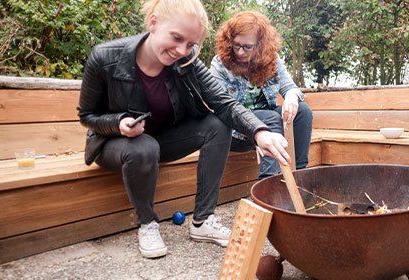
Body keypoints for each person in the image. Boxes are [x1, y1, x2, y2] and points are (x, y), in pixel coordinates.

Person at [77, 0, 291, 259]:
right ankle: (147, 223)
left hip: (165, 139)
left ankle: (202, 221)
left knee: (217, 123)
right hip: (115, 143)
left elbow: (222, 102)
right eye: (176, 38)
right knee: (144, 146)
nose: (181, 50)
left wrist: (260, 131)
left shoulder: (186, 60)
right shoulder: (105, 57)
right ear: (154, 23)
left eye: (190, 44)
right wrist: (119, 123)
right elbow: (87, 116)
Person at [210, 11, 313, 180]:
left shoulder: (272, 59)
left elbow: (290, 87)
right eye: (236, 45)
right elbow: (222, 108)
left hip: (269, 125)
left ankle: (299, 177)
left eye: (248, 47)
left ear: (260, 45)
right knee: (271, 117)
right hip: (235, 131)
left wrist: (291, 97)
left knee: (303, 111)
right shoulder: (220, 64)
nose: (240, 52)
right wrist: (254, 131)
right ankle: (267, 185)